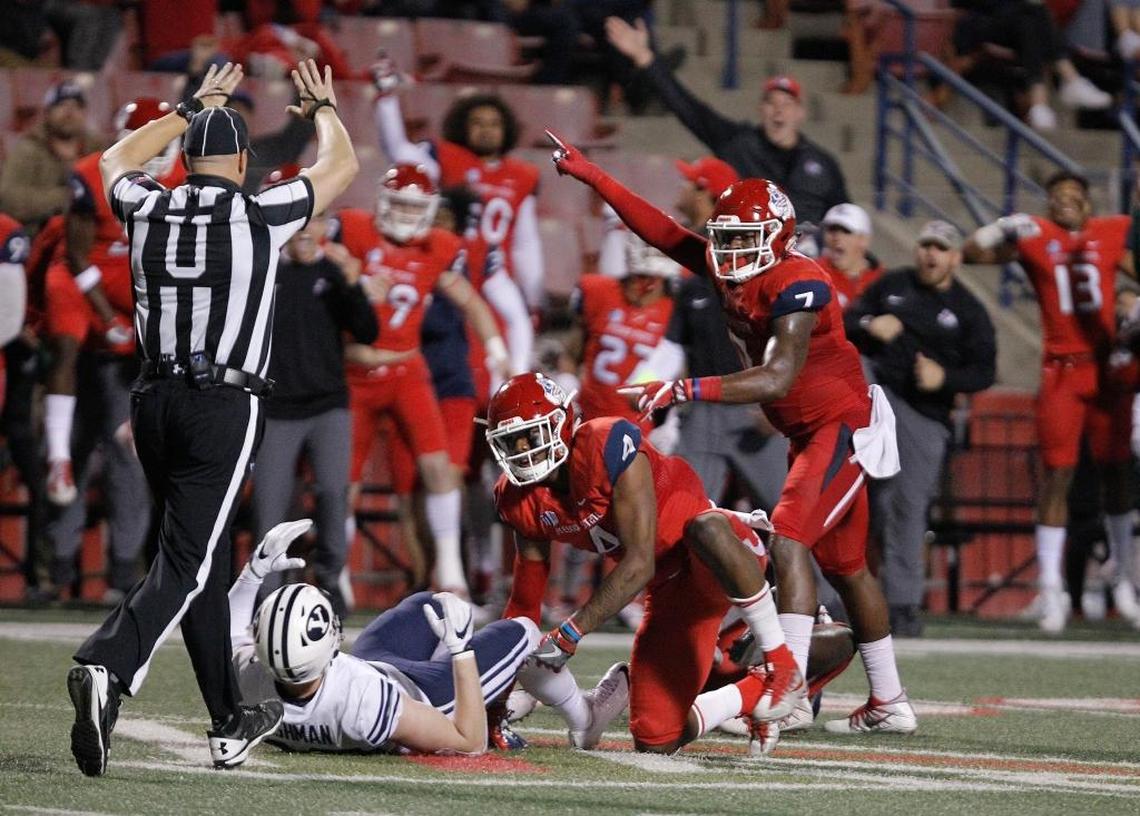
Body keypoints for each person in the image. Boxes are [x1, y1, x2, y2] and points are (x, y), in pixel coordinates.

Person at [549, 131, 916, 736]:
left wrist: (686, 388)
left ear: (778, 241)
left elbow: (776, 376)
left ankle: (788, 685)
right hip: (806, 430)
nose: (729, 254)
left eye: (744, 242)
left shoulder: (800, 281)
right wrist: (593, 176)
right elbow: (662, 232)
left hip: (839, 424)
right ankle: (890, 699)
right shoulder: (732, 269)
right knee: (848, 568)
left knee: (790, 540)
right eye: (725, 241)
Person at [65, 59, 360, 777]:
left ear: (187, 157)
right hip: (221, 404)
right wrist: (321, 107)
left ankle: (230, 716)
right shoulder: (259, 212)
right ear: (240, 161)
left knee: (201, 558)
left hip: (154, 399)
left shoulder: (145, 204)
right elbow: (342, 165)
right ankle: (109, 664)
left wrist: (189, 105)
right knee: (190, 562)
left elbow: (113, 157)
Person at [488, 372, 805, 756]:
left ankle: (783, 661)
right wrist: (495, 700)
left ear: (561, 423)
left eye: (531, 437)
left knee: (705, 529)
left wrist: (571, 633)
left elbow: (638, 563)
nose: (523, 453)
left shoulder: (605, 442)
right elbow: (523, 606)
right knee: (656, 737)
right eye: (511, 444)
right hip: (670, 591)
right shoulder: (519, 499)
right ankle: (750, 692)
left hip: (717, 557)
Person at [227, 519, 631, 755]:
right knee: (523, 631)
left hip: (377, 670)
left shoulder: (257, 682)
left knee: (430, 604)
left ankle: (503, 697)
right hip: (425, 696)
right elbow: (467, 742)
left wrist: (253, 572)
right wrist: (458, 651)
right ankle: (586, 719)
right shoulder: (362, 703)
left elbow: (228, 634)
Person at [964, 172, 1140, 632]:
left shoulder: (1109, 231)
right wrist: (999, 228)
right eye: (1056, 196)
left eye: (1073, 195)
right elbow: (972, 254)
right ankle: (1051, 588)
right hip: (1060, 370)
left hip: (1106, 369)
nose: (1064, 202)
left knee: (1119, 471)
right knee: (1057, 475)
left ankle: (1123, 577)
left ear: (1087, 203)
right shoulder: (1036, 235)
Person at [336, 163, 510, 597]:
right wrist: (351, 277)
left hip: (408, 369)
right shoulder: (354, 232)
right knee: (346, 479)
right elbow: (318, 258)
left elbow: (470, 299)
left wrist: (497, 350)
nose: (407, 215)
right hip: (355, 373)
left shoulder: (439, 246)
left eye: (416, 207)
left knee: (437, 467)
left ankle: (450, 572)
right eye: (400, 205)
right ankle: (335, 569)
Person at [846, 221, 996, 637]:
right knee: (848, 494)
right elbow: (847, 320)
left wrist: (944, 378)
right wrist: (868, 325)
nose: (931, 254)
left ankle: (902, 604)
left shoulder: (968, 309)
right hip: (879, 397)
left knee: (906, 508)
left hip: (922, 413)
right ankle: (834, 598)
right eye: (926, 245)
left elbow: (984, 371)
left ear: (955, 257)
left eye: (941, 248)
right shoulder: (893, 284)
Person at [250, 208, 379, 621]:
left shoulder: (334, 273)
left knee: (332, 495)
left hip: (327, 404)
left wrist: (354, 283)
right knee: (268, 506)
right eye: (298, 221)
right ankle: (265, 592)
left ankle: (329, 582)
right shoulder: (263, 273)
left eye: (314, 220)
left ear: (326, 227)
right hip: (277, 405)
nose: (306, 230)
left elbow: (367, 331)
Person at [604, 18, 847, 226]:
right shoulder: (738, 143)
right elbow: (688, 109)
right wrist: (646, 58)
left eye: (787, 104)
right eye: (772, 103)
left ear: (801, 113)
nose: (779, 111)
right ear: (761, 109)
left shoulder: (822, 164)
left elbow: (846, 217)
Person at [373, 60, 545, 323]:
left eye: (494, 123)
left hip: (494, 276)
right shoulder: (446, 156)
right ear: (462, 125)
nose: (486, 130)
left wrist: (533, 298)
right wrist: (386, 100)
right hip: (448, 269)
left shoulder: (523, 175)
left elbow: (526, 243)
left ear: (507, 128)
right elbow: (399, 152)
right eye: (477, 122)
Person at [572, 233, 677, 424]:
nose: (636, 285)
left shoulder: (673, 311)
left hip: (634, 423)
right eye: (635, 277)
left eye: (646, 279)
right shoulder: (601, 291)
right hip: (587, 413)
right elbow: (572, 351)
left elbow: (677, 366)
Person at [0, 81, 103, 236]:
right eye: (61, 105)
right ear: (47, 112)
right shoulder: (29, 149)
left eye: (77, 106)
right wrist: (68, 198)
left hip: (89, 240)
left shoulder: (97, 150)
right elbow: (9, 200)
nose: (69, 113)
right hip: (38, 240)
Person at [818, 203, 884, 311]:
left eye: (846, 231)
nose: (837, 237)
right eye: (831, 230)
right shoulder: (812, 273)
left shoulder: (883, 280)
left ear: (864, 239)